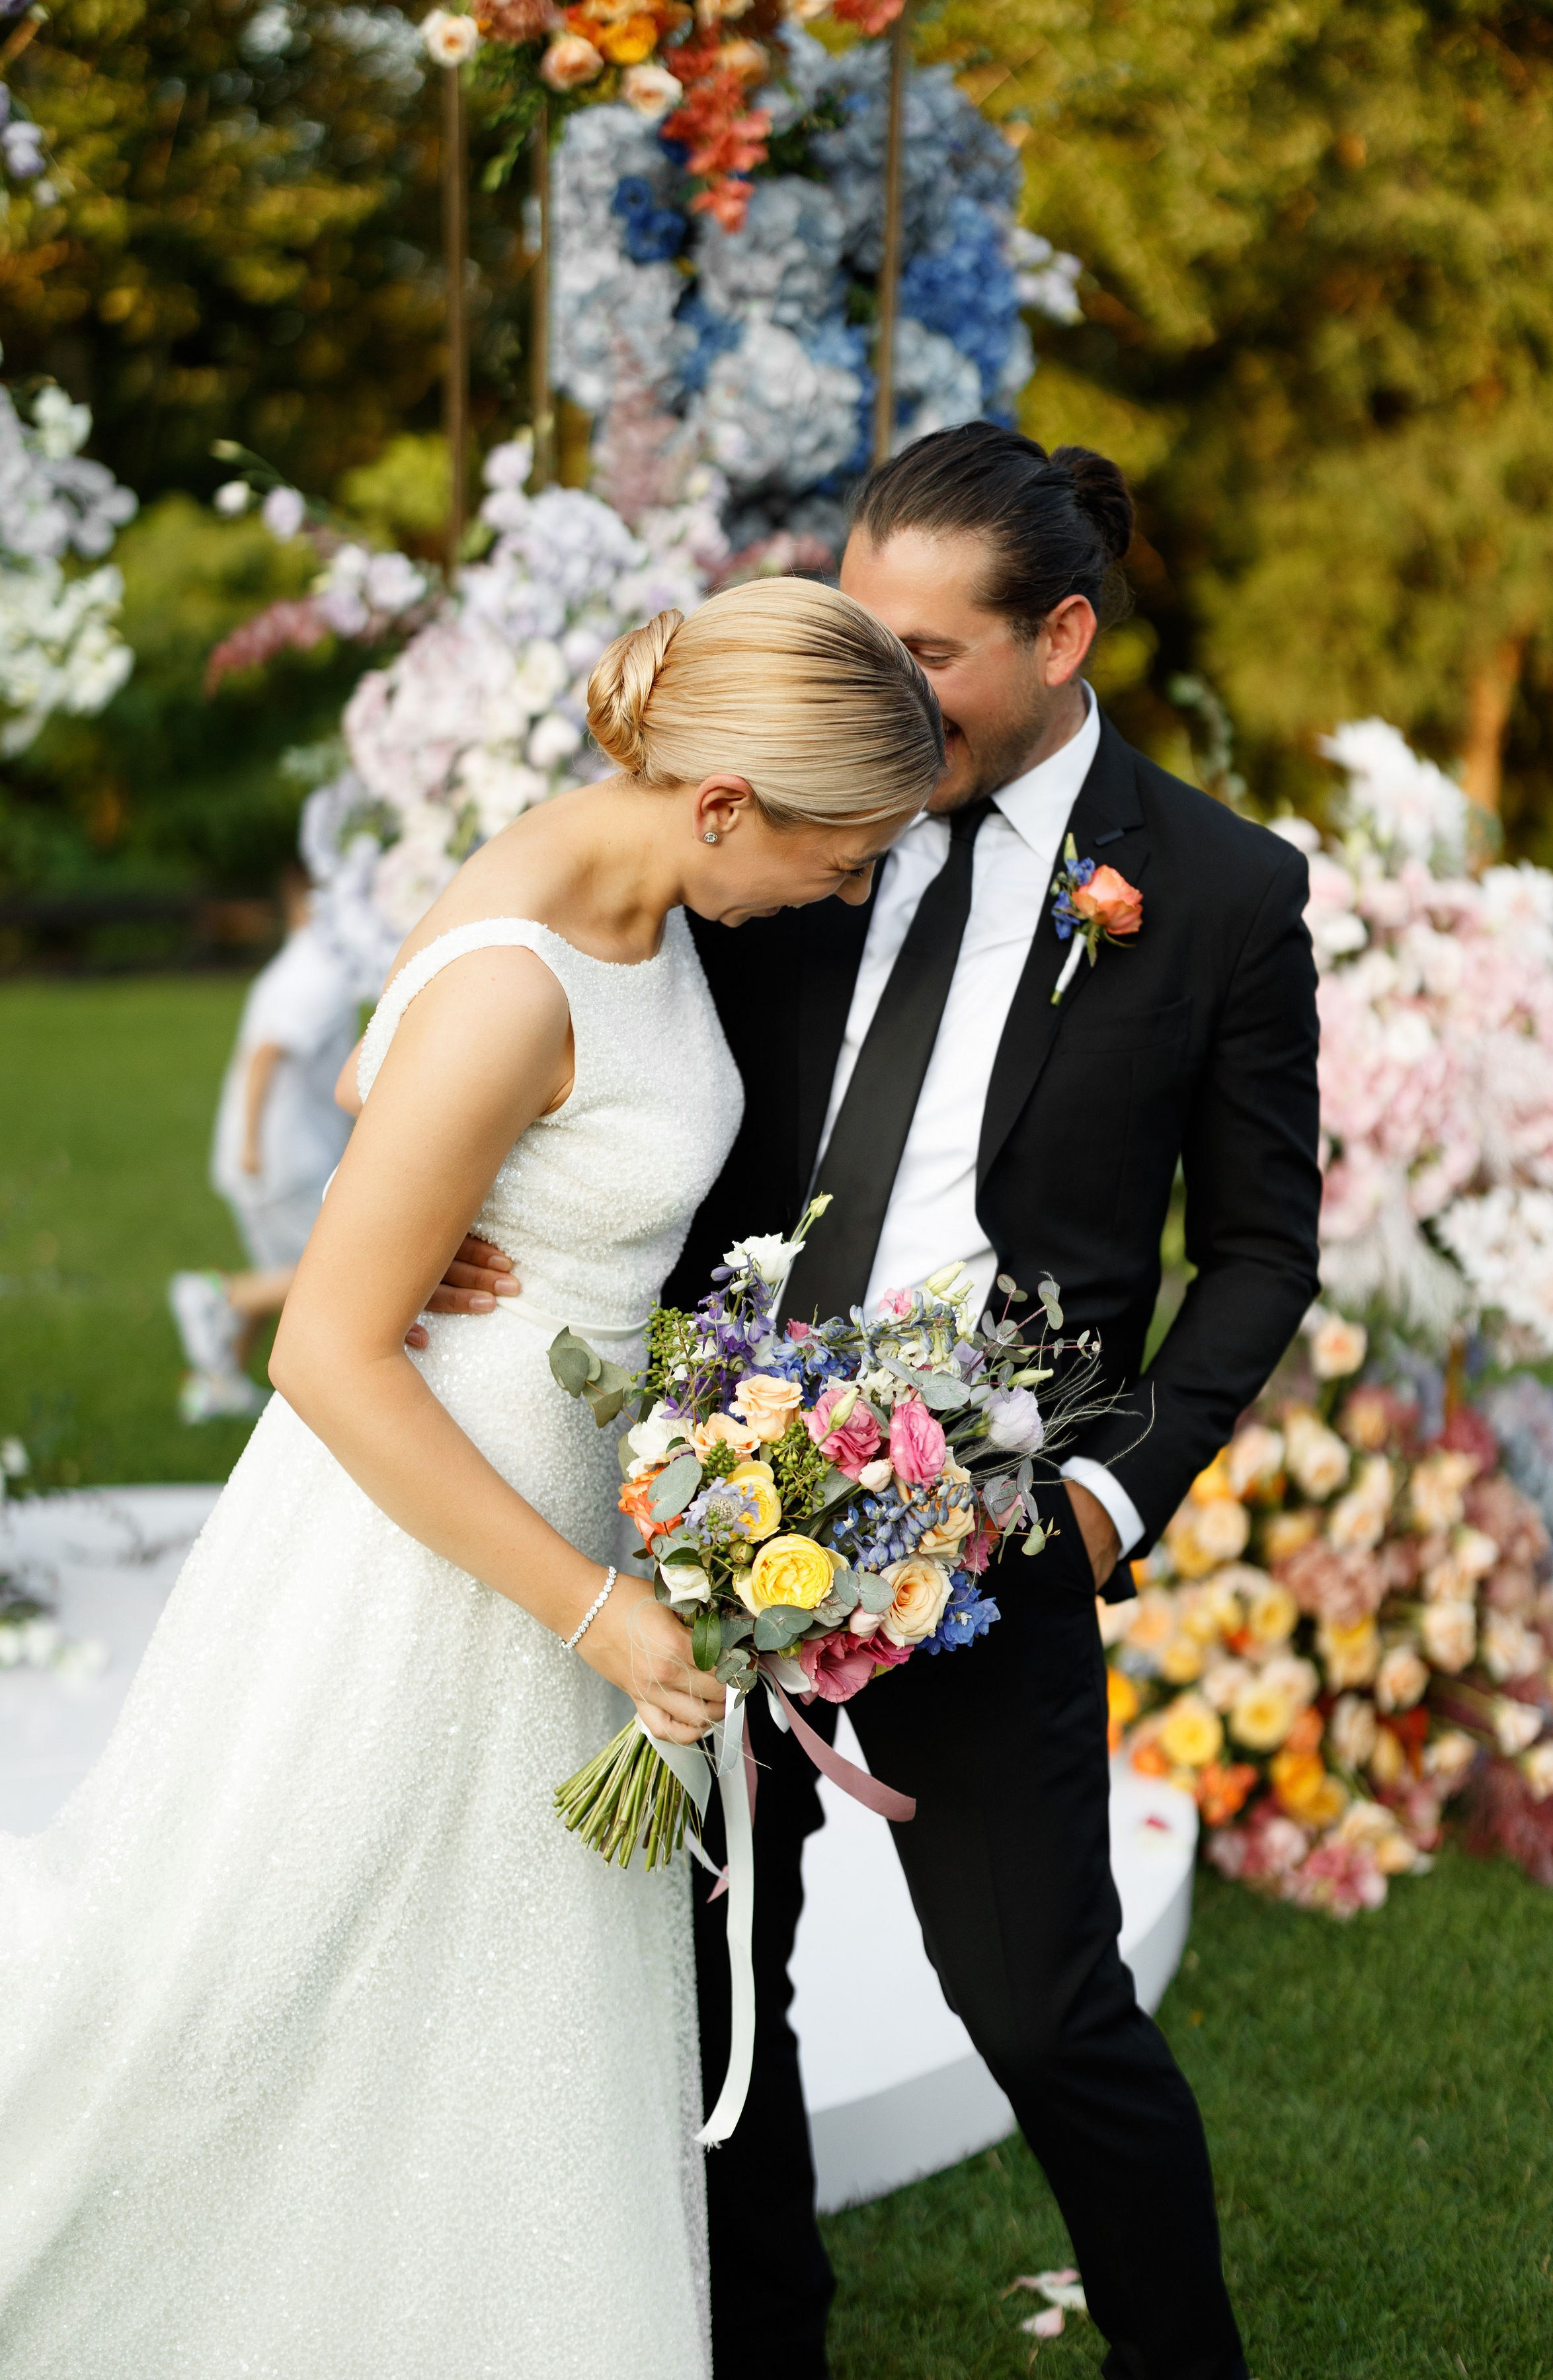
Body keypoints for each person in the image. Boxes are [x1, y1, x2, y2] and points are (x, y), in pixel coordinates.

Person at [0, 578, 943, 2377]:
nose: (845, 893)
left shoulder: (614, 874)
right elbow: (321, 1349)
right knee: (247, 1986)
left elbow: (389, 1058)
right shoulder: (530, 965)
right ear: (728, 804)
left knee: (474, 2020)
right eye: (842, 859)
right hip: (426, 1549)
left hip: (556, 1507)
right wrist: (594, 1607)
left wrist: (440, 1204)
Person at [674, 427, 1322, 2380]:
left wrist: (1098, 1506)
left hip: (988, 1534)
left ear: (1059, 632)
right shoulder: (794, 818)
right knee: (710, 1995)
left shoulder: (1212, 890)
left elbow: (1261, 1253)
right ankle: (758, 2347)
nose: (878, 689)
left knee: (1041, 2008)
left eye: (927, 652)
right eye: (858, 636)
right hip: (710, 1502)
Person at [168, 861, 358, 1421]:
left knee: (280, 1272)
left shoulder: (293, 967)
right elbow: (266, 1054)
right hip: (286, 1156)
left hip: (264, 1154)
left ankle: (215, 1382)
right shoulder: (319, 976)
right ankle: (213, 1295)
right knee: (329, 1276)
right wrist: (255, 1143)